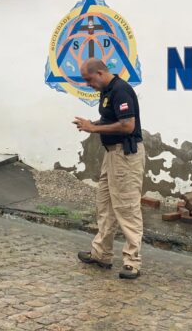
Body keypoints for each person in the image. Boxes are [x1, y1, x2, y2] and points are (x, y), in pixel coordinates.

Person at [73, 58, 145, 280]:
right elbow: (110, 119)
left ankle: (132, 262)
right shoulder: (107, 91)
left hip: (125, 155)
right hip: (112, 154)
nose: (88, 84)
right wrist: (93, 124)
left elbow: (128, 125)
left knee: (127, 207)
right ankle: (101, 253)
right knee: (105, 205)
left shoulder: (121, 91)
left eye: (89, 79)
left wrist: (93, 128)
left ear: (101, 73)